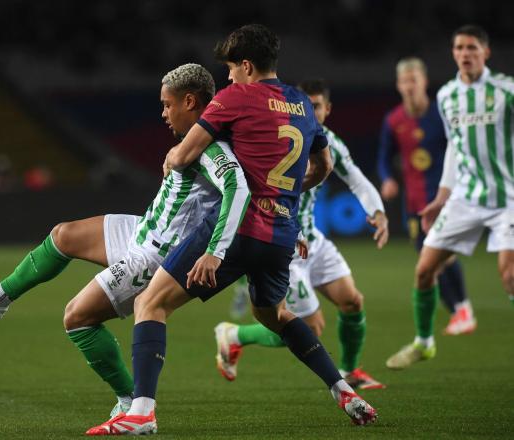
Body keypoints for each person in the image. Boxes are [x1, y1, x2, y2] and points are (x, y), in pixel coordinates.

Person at [86, 24, 377, 436]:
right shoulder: (301, 104)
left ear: (246, 65)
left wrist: (173, 157)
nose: (227, 78)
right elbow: (324, 168)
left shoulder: (235, 97)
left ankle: (142, 413)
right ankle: (342, 388)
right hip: (280, 234)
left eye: (230, 69)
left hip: (238, 229)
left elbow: (185, 153)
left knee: (149, 305)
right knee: (274, 314)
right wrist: (287, 196)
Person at [0, 63, 250, 416]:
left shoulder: (212, 147)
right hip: (144, 230)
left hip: (154, 256)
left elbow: (237, 186)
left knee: (77, 317)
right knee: (64, 235)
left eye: (168, 105)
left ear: (189, 101)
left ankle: (128, 399)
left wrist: (215, 250)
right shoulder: (192, 142)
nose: (163, 113)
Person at [215, 78, 388, 390]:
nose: (311, 110)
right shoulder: (276, 135)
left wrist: (377, 211)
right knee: (309, 327)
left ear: (327, 109)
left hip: (314, 240)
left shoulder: (329, 143)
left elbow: (358, 180)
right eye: (306, 104)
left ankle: (351, 370)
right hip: (284, 243)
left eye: (317, 105)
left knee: (352, 301)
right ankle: (234, 334)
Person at [387, 25, 514, 370]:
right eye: (459, 47)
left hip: (508, 198)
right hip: (466, 198)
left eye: (472, 47)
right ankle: (424, 343)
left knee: (509, 273)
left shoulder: (506, 90)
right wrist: (442, 197)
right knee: (425, 270)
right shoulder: (447, 97)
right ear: (453, 53)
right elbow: (456, 151)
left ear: (485, 52)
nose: (465, 53)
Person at [378, 57, 474, 336]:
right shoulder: (394, 120)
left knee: (440, 256)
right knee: (426, 261)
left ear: (424, 82)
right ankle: (459, 310)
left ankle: (462, 309)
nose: (409, 86)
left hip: (445, 198)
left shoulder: (440, 115)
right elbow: (384, 157)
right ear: (398, 85)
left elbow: (459, 149)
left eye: (414, 80)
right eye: (404, 81)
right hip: (414, 203)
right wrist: (387, 179)